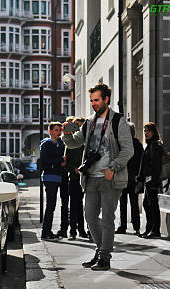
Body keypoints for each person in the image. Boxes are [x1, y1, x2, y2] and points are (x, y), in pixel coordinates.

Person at [62, 83, 134, 271]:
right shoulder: (89, 122)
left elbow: (128, 150)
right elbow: (74, 143)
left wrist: (113, 168)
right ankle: (100, 250)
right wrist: (66, 134)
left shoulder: (118, 121)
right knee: (90, 217)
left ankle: (105, 257)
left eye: (96, 100)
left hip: (110, 177)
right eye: (92, 100)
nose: (93, 104)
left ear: (106, 99)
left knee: (108, 218)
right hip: (91, 177)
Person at [63, 116, 89, 241]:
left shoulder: (88, 143)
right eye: (77, 126)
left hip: (87, 177)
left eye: (81, 126)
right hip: (74, 178)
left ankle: (84, 230)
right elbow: (66, 162)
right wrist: (74, 169)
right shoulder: (70, 143)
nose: (79, 129)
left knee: (88, 206)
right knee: (74, 205)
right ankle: (73, 231)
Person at [116, 122, 144, 235]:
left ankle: (124, 227)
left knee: (127, 203)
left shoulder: (125, 144)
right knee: (131, 203)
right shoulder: (136, 144)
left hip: (129, 178)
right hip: (130, 178)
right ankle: (134, 227)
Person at [136, 122, 164, 239]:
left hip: (152, 181)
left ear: (153, 132)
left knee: (152, 205)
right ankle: (149, 229)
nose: (146, 133)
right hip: (148, 180)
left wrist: (154, 182)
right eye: (145, 131)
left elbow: (156, 165)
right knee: (147, 205)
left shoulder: (155, 145)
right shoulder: (149, 145)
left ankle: (155, 230)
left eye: (148, 131)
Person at [40, 122, 66, 240]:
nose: (58, 132)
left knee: (54, 205)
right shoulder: (46, 144)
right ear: (50, 131)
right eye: (56, 130)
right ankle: (45, 232)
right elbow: (44, 161)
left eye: (59, 130)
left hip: (59, 177)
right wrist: (60, 160)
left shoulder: (61, 143)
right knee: (50, 205)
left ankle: (48, 231)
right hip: (49, 177)